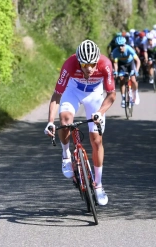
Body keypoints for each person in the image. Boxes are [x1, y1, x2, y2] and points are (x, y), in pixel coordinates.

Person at [44, 39, 116, 206]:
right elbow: (56, 96)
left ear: (97, 60)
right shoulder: (69, 64)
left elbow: (111, 95)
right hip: (73, 91)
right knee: (66, 120)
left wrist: (99, 113)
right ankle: (66, 154)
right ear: (78, 61)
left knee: (96, 139)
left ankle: (98, 185)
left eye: (92, 64)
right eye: (84, 64)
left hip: (95, 95)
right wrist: (49, 122)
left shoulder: (105, 64)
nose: (89, 68)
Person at [112, 36, 141, 108]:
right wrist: (115, 71)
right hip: (122, 64)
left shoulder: (129, 49)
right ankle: (123, 98)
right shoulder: (115, 52)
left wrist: (136, 71)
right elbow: (115, 63)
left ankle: (135, 93)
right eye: (118, 46)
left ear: (125, 44)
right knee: (121, 79)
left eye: (122, 45)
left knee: (133, 80)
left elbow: (138, 61)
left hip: (130, 63)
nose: (120, 47)